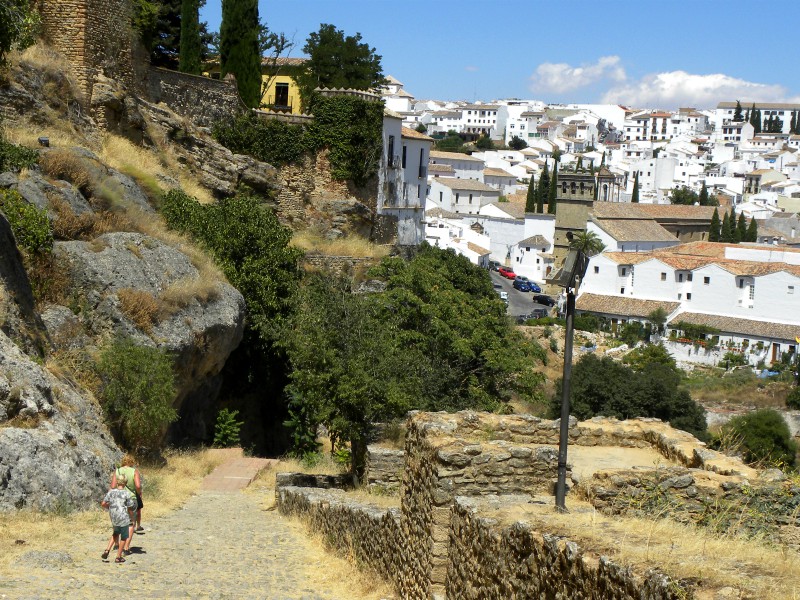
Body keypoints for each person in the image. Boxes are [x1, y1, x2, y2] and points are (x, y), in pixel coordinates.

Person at [110, 454, 143, 553]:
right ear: (132, 462)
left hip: (118, 500)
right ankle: (126, 547)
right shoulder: (134, 471)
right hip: (131, 498)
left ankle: (116, 544)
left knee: (117, 522)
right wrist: (139, 493)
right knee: (131, 524)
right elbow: (137, 485)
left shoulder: (118, 471)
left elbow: (112, 486)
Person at [100, 474, 136, 563]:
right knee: (124, 536)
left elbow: (103, 503)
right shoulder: (126, 494)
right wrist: (132, 518)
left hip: (113, 516)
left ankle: (107, 550)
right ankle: (118, 556)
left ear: (117, 482)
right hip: (123, 516)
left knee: (115, 533)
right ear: (125, 483)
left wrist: (110, 506)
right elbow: (130, 507)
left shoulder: (111, 492)